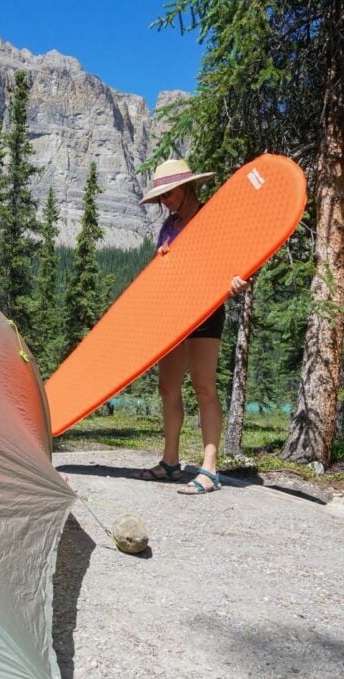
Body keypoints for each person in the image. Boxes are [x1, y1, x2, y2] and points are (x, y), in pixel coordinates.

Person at [133, 158, 249, 494]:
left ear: (187, 188)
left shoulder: (213, 219)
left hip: (206, 311)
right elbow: (161, 272)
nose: (165, 201)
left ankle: (209, 469)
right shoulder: (168, 227)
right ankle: (170, 462)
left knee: (203, 387)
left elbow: (235, 263)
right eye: (161, 197)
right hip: (173, 313)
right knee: (168, 388)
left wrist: (238, 280)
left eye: (169, 194)